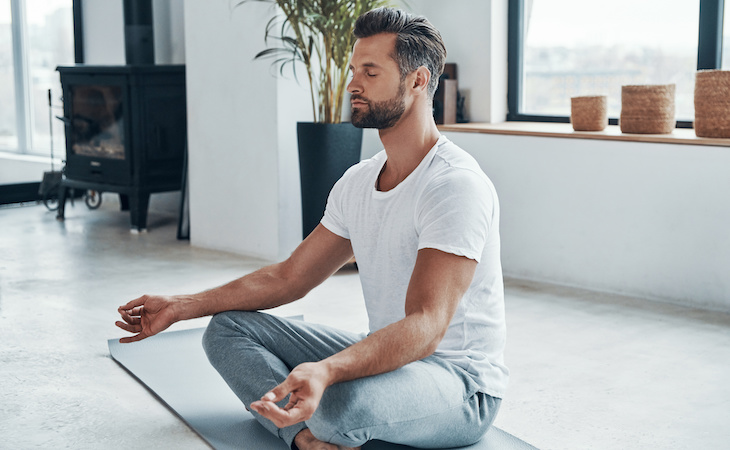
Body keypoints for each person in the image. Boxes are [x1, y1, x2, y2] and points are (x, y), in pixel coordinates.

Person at [116, 7, 508, 450]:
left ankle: (318, 421)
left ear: (418, 81)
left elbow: (427, 324)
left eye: (371, 72)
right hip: (389, 359)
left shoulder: (453, 185)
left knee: (338, 403)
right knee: (225, 330)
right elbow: (290, 277)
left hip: (458, 383)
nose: (353, 84)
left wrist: (330, 369)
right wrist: (182, 305)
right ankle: (304, 436)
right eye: (354, 69)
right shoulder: (358, 181)